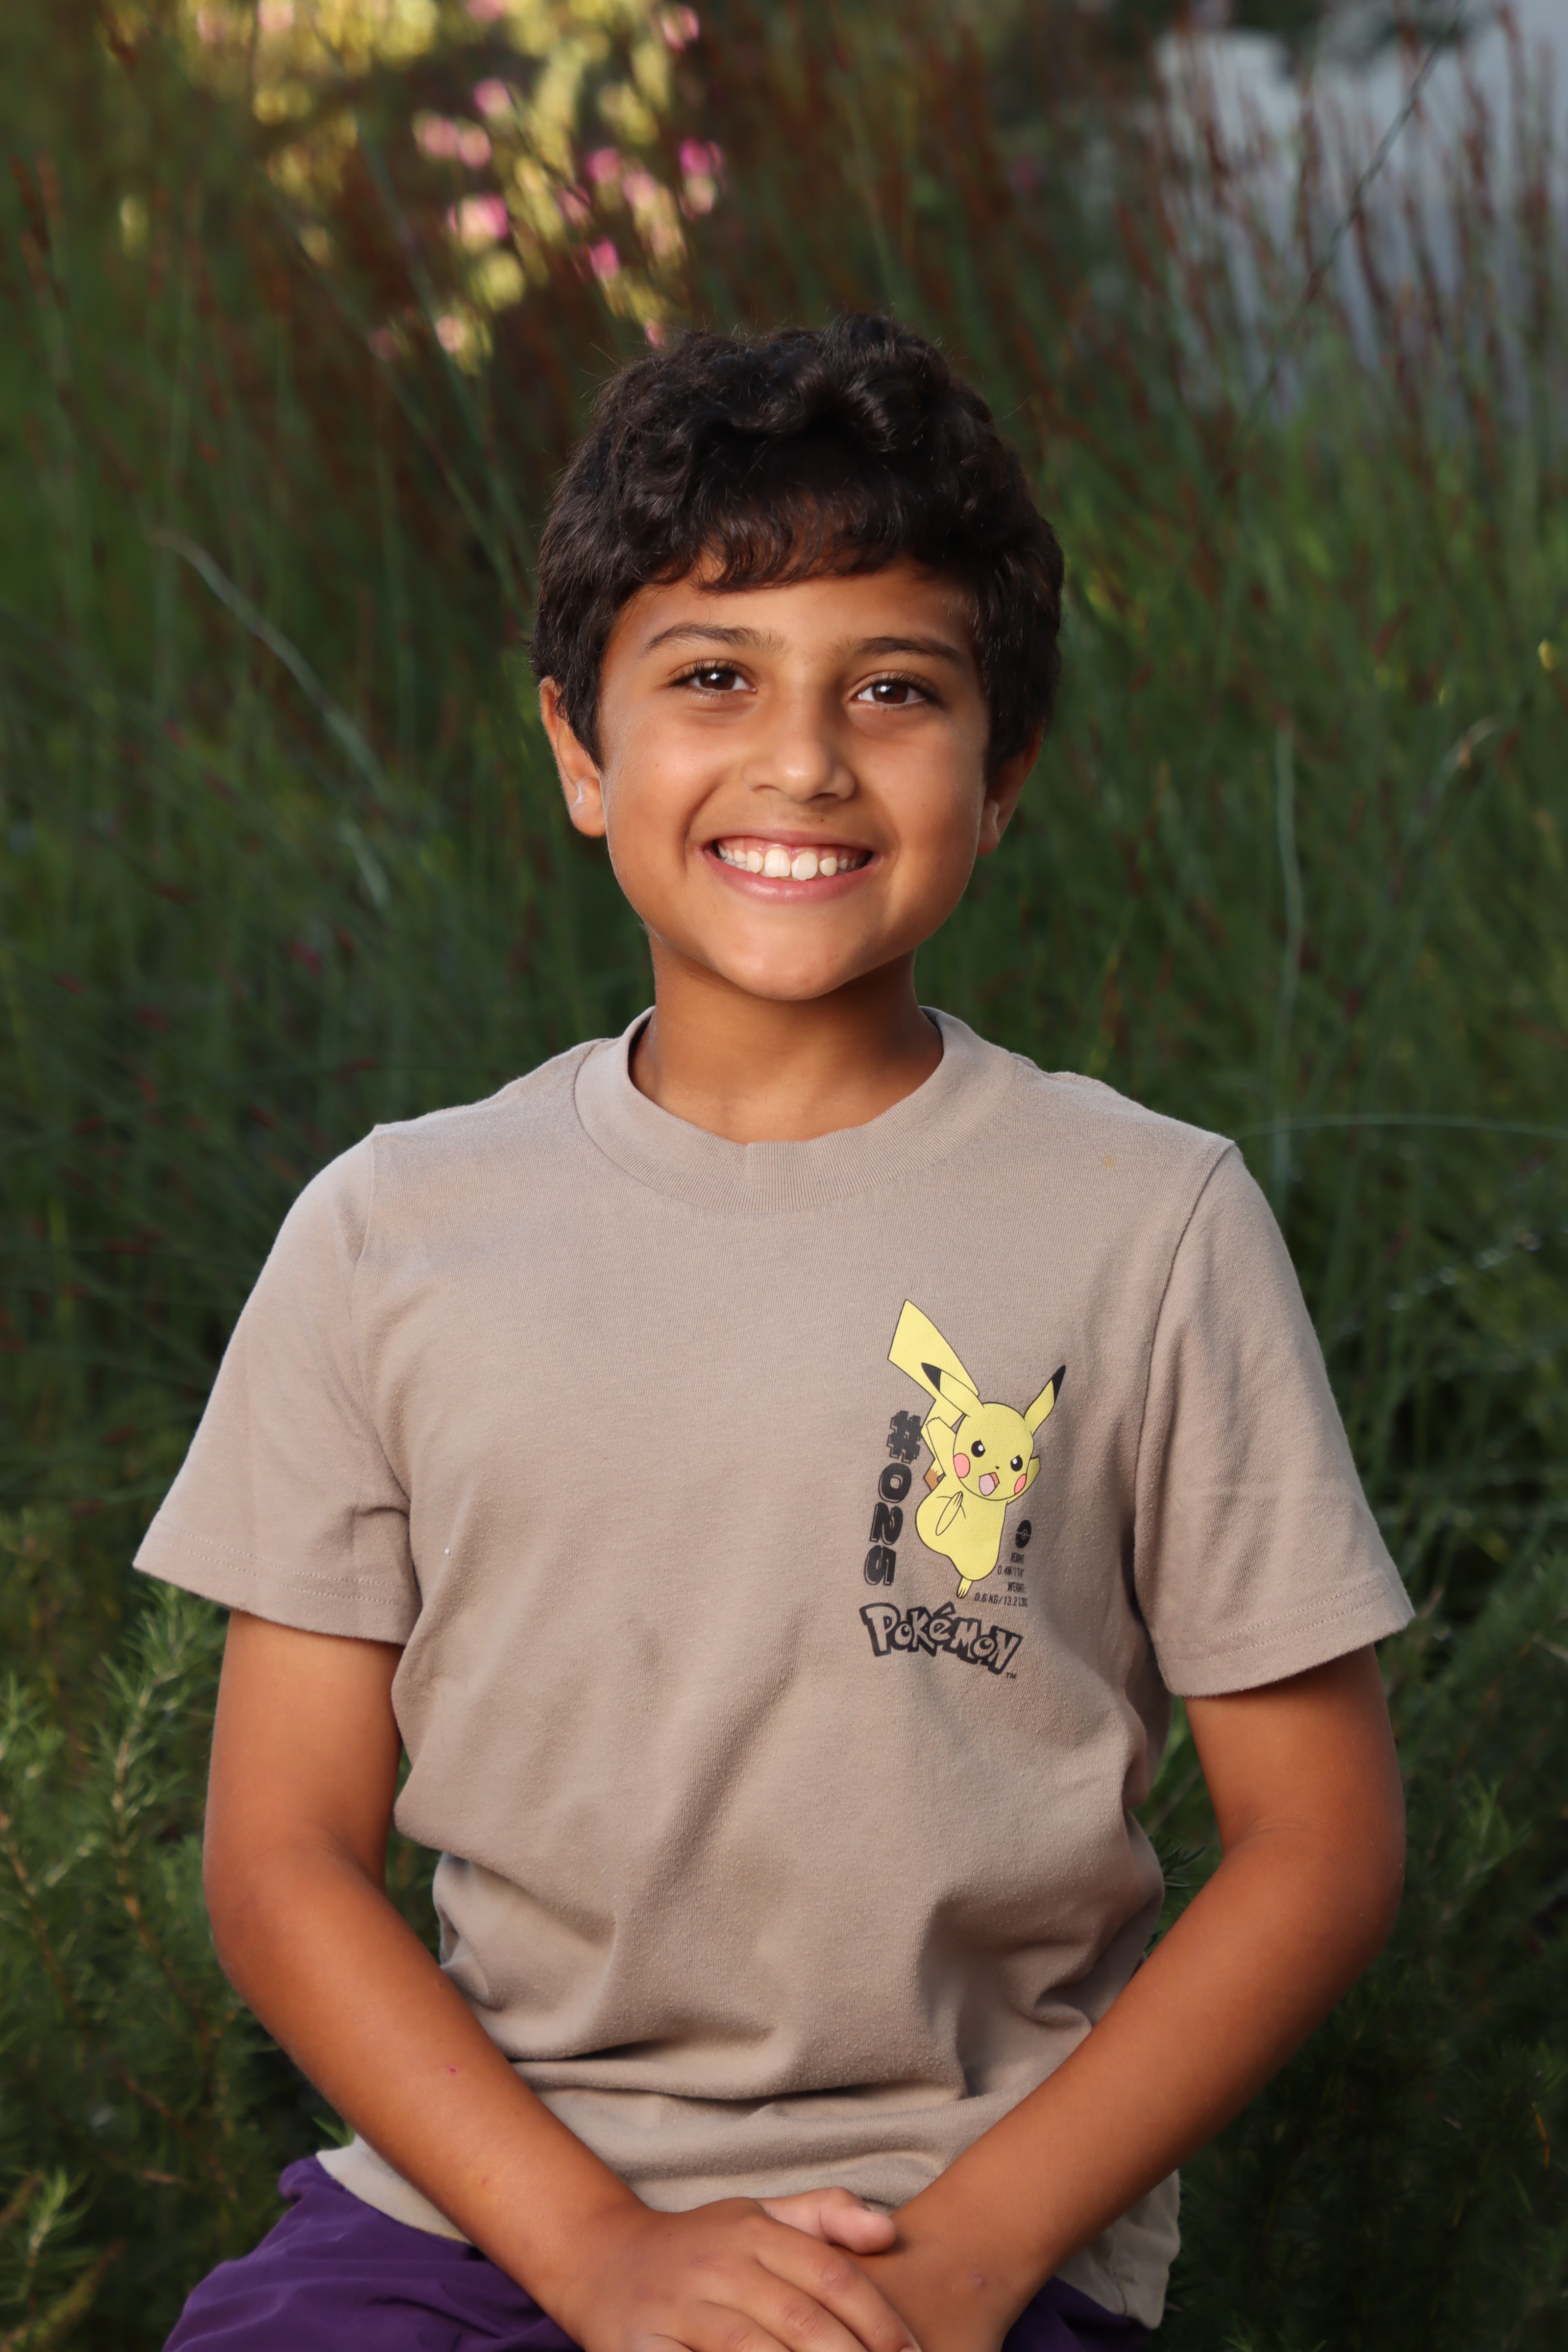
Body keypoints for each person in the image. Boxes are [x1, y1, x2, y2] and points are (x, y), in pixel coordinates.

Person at [143, 314, 1411, 2352]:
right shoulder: (388, 1235)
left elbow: (1320, 1843)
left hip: (951, 2235)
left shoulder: (1150, 1224)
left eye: (892, 689)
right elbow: (281, 1858)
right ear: (580, 750)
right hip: (474, 2221)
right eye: (713, 676)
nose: (804, 759)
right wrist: (598, 2254)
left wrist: (978, 2255)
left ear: (1002, 773)